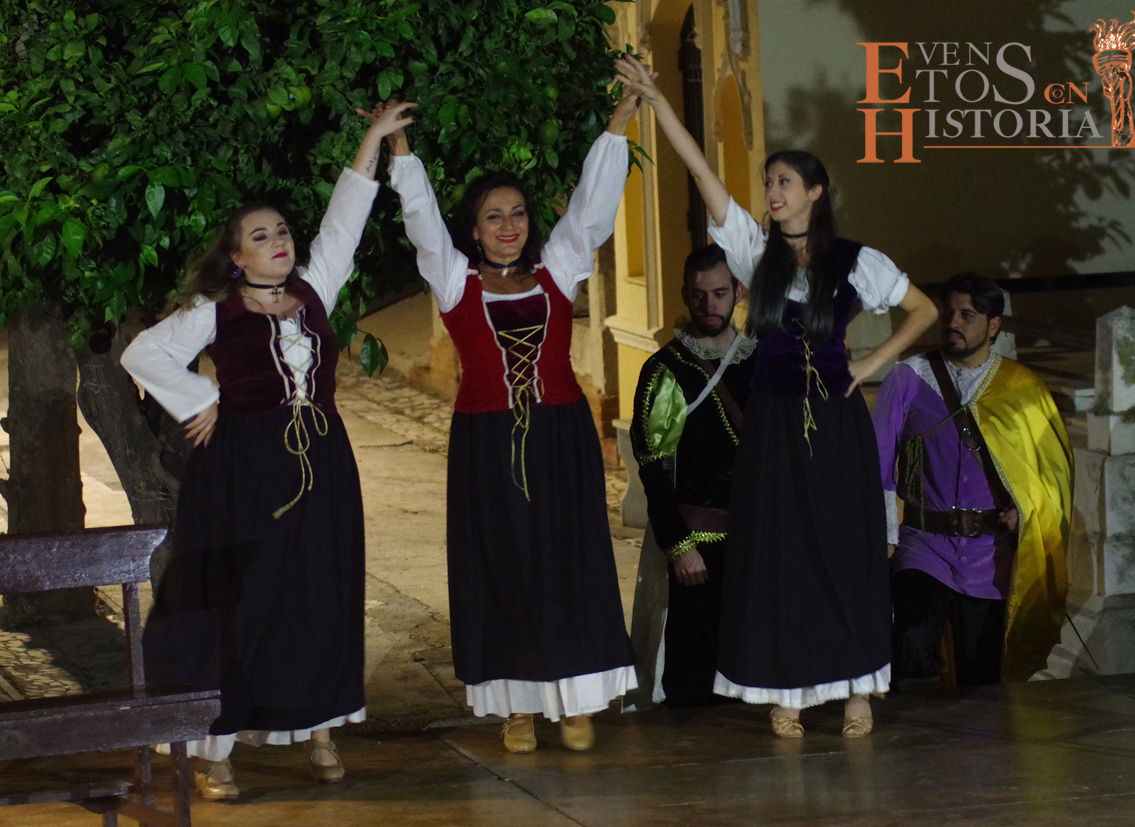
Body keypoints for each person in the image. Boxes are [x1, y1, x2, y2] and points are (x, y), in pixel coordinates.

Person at [615, 55, 938, 738]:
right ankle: (786, 691)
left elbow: (924, 310)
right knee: (780, 554)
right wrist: (657, 103)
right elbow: (702, 174)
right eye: (768, 182)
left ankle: (856, 688)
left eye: (784, 181)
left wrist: (870, 361)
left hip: (835, 423)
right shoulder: (752, 254)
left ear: (816, 191)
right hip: (772, 425)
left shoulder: (856, 261)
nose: (772, 191)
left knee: (843, 549)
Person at [120, 102, 416, 799]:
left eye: (281, 230)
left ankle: (321, 728)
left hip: (322, 464)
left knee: (318, 593)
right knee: (243, 602)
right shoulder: (214, 309)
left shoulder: (314, 289)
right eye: (261, 235)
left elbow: (344, 221)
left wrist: (372, 139)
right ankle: (215, 747)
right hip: (244, 470)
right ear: (236, 255)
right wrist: (201, 398)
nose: (278, 241)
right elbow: (142, 354)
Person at [386, 92, 642, 753]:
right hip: (487, 440)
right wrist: (400, 151)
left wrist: (618, 124)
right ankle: (516, 706)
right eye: (493, 216)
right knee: (502, 563)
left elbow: (591, 209)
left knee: (568, 560)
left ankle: (575, 700)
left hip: (560, 436)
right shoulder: (455, 280)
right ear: (474, 230)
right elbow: (422, 223)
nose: (508, 225)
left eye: (518, 213)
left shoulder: (558, 269)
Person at [873, 273, 1073, 686]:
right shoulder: (907, 377)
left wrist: (1025, 510)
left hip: (992, 557)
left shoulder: (1023, 388)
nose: (953, 322)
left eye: (967, 315)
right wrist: (885, 538)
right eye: (948, 312)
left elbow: (1050, 475)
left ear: (993, 325)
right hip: (925, 546)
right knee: (911, 645)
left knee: (983, 675)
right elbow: (877, 463)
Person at [627, 244, 756, 709]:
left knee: (753, 681)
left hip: (758, 544)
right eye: (699, 295)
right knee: (696, 688)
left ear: (738, 291)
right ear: (685, 295)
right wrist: (680, 546)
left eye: (720, 293)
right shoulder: (665, 370)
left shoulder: (764, 362)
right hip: (699, 551)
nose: (709, 305)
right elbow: (654, 468)